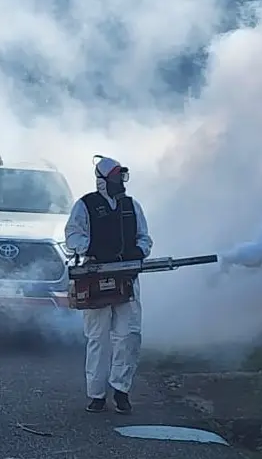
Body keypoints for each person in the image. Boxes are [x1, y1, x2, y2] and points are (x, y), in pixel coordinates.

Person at [64, 155, 153, 415]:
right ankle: (96, 394)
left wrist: (138, 251)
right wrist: (92, 249)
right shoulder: (85, 205)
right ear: (102, 181)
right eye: (115, 177)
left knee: (129, 336)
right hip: (95, 275)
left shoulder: (132, 205)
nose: (120, 182)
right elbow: (72, 236)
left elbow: (145, 238)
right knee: (97, 338)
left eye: (121, 177)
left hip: (126, 277)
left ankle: (121, 390)